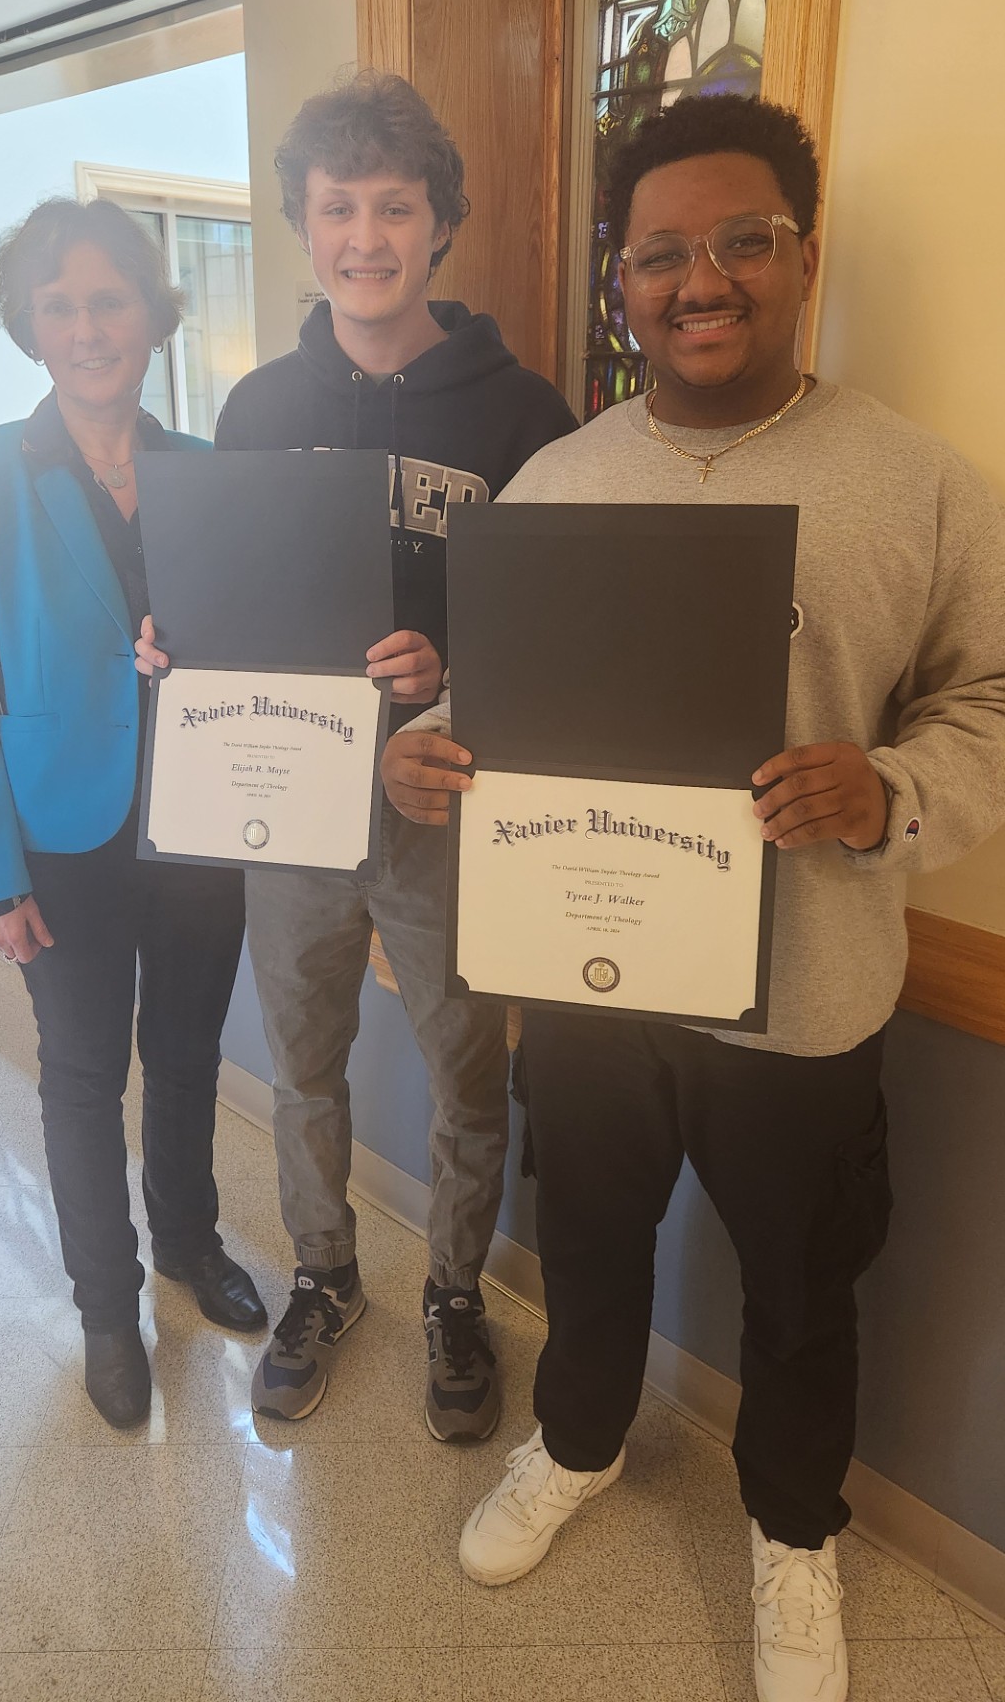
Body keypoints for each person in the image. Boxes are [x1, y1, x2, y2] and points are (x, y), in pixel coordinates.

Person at [381, 93, 1005, 1700]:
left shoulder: (921, 484)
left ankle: (793, 1537)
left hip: (806, 1000)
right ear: (621, 281)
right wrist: (432, 756)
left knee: (803, 1291)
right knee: (587, 1242)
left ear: (805, 255)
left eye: (743, 241)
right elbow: (496, 706)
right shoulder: (552, 489)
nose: (700, 278)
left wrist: (892, 787)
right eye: (660, 253)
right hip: (589, 983)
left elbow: (990, 705)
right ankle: (578, 1442)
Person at [137, 70, 576, 1441]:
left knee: (463, 1063)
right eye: (340, 208)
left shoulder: (523, 415)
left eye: (396, 206)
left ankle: (453, 1290)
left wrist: (458, 676)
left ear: (439, 223)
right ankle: (328, 1271)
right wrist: (176, 647)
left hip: (449, 807)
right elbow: (222, 610)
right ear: (302, 224)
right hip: (292, 803)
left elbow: (568, 622)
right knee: (304, 1055)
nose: (367, 235)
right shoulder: (257, 407)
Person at [0, 199, 265, 1430]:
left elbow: (247, 655)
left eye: (109, 298)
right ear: (29, 323)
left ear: (151, 313)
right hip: (58, 837)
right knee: (80, 1077)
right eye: (58, 304)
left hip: (196, 824)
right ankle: (108, 1309)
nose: (86, 325)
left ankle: (187, 1241)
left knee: (186, 1060)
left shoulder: (201, 472)